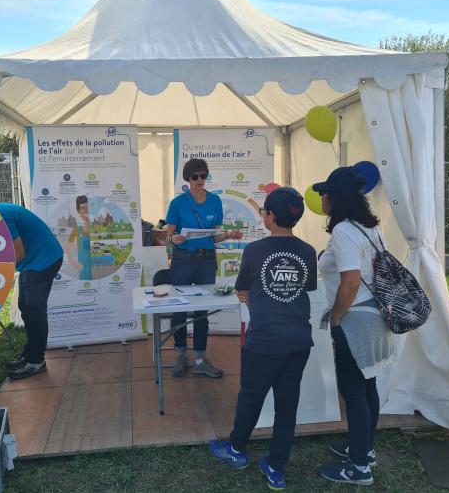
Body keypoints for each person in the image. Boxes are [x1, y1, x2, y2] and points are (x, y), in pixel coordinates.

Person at [209, 186, 317, 491]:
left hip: (264, 341)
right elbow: (304, 289)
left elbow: (242, 289)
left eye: (264, 212)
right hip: (298, 340)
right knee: (287, 404)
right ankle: (276, 466)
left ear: (270, 216)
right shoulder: (308, 251)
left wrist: (253, 295)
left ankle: (236, 450)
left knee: (251, 398)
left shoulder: (254, 251)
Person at [313, 167, 393, 486]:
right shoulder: (369, 227)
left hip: (355, 318)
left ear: (335, 198)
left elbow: (351, 280)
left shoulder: (344, 230)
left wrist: (335, 317)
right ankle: (364, 449)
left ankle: (359, 467)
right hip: (374, 315)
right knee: (366, 384)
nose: (321, 197)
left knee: (353, 390)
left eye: (324, 192)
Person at [165, 158, 241, 378]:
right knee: (178, 308)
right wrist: (175, 238)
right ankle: (181, 355)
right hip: (182, 258)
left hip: (206, 258)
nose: (200, 180)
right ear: (187, 179)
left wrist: (228, 234)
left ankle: (199, 359)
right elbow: (168, 236)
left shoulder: (215, 201)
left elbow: (215, 236)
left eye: (203, 175)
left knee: (202, 310)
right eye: (195, 176)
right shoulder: (177, 203)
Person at [0, 202, 64, 379]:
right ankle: (30, 354)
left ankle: (36, 361)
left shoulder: (0, 216)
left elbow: (18, 253)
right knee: (24, 305)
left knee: (34, 309)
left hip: (45, 258)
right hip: (32, 261)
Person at [65, 195, 92, 280]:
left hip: (97, 263)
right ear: (79, 210)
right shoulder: (77, 229)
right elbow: (67, 248)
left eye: (87, 207)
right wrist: (73, 263)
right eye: (83, 208)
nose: (86, 210)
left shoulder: (95, 227)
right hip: (83, 264)